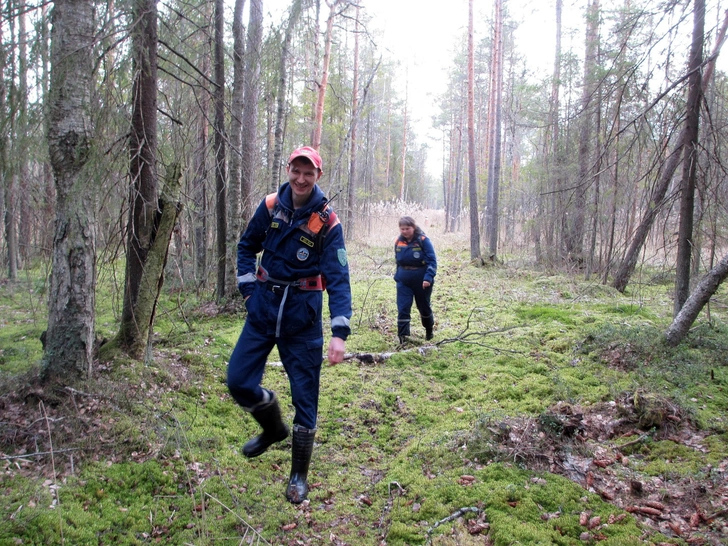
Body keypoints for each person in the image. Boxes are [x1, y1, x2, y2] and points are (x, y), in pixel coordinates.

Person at [227, 146, 352, 504]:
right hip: (263, 310)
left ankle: (298, 475)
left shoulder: (327, 222)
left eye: (308, 173)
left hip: (303, 317)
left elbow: (339, 278)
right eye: (295, 171)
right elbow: (246, 247)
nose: (300, 179)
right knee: (238, 380)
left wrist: (339, 332)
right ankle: (273, 427)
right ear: (288, 170)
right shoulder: (270, 207)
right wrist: (249, 292)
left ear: (317, 176)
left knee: (305, 398)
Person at [394, 216, 437, 344]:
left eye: (407, 228)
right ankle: (403, 338)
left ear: (413, 227)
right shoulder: (398, 241)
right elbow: (398, 260)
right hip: (403, 280)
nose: (404, 231)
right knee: (403, 308)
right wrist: (397, 276)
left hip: (422, 281)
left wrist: (428, 278)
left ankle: (429, 330)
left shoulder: (423, 240)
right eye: (402, 229)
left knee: (423, 307)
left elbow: (432, 260)